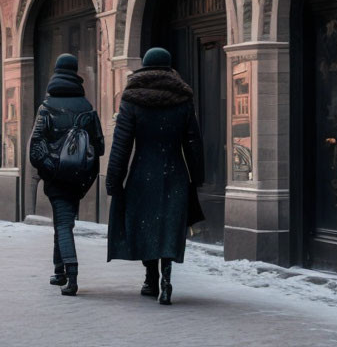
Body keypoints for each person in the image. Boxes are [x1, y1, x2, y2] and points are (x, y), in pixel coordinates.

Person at [106, 47, 205, 306]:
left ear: (144, 68)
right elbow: (193, 141)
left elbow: (122, 143)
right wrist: (197, 176)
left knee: (146, 225)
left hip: (142, 173)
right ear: (169, 68)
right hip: (174, 172)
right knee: (169, 226)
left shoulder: (132, 99)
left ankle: (150, 278)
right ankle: (166, 280)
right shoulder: (183, 98)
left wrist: (114, 178)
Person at [28, 54, 104, 296]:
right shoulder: (87, 107)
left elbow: (36, 147)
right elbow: (99, 146)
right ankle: (59, 270)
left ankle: (71, 276)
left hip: (56, 176)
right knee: (63, 220)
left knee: (62, 223)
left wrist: (52, 168)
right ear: (75, 72)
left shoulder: (47, 107)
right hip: (80, 177)